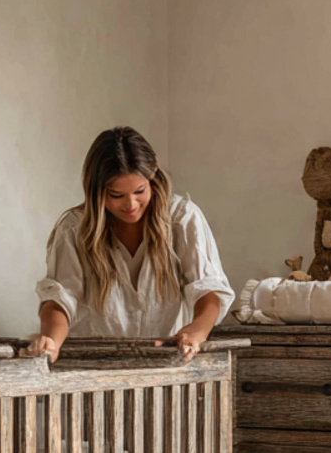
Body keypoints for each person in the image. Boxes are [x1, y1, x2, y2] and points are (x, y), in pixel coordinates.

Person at [26, 127, 233, 362]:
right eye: (116, 195)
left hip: (164, 364)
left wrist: (196, 331)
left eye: (139, 191)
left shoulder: (182, 219)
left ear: (152, 178)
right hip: (92, 365)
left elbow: (207, 289)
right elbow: (60, 298)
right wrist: (51, 342)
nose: (131, 204)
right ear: (96, 191)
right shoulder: (74, 230)